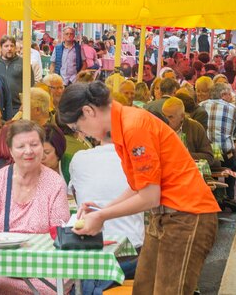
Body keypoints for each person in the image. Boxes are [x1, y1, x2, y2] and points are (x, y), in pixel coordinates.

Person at [59, 82, 219, 295]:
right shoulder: (123, 125)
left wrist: (103, 215)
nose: (82, 134)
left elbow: (149, 196)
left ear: (88, 112)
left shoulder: (133, 126)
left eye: (77, 128)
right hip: (167, 217)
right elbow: (139, 186)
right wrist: (101, 211)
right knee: (143, 289)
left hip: (187, 215)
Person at [0, 121, 71, 294]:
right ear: (10, 150)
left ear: (42, 146)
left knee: (52, 286)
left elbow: (59, 234)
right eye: (21, 146)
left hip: (43, 266)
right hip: (3, 264)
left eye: (34, 144)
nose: (29, 151)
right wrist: (9, 254)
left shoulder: (55, 183)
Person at [69, 139, 145, 295]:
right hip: (131, 255)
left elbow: (78, 199)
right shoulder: (138, 157)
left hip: (90, 255)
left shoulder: (79, 158)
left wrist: (102, 212)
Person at [161, 97, 215, 165]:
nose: (165, 120)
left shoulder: (195, 128)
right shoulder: (159, 128)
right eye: (163, 116)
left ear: (182, 116)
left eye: (170, 117)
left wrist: (184, 155)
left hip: (188, 172)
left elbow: (209, 157)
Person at [0, 35, 34, 114]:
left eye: (12, 46)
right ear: (1, 48)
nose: (9, 49)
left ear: (15, 48)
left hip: (18, 107)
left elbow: (31, 85)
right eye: (6, 46)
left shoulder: (24, 63)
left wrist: (26, 103)